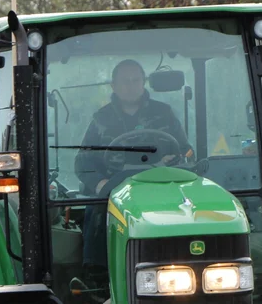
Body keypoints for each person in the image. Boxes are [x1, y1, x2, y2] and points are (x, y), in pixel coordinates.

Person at [74, 59, 191, 277]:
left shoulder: (164, 114)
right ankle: (97, 276)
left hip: (161, 187)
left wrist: (173, 160)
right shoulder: (101, 119)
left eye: (135, 80)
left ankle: (180, 267)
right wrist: (101, 184)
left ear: (143, 82)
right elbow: (83, 162)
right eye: (125, 81)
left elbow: (185, 152)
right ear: (114, 86)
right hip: (115, 193)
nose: (130, 85)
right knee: (95, 210)